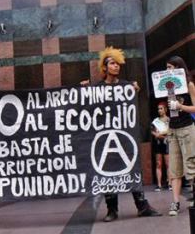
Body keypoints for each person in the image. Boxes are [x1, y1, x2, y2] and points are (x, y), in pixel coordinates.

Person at [80, 47, 161, 221]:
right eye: (112, 63)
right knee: (108, 173)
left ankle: (142, 205)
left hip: (125, 138)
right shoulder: (98, 89)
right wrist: (85, 93)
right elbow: (91, 111)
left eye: (118, 63)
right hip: (106, 139)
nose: (116, 66)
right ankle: (112, 210)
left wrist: (135, 92)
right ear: (105, 67)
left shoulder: (126, 86)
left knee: (132, 169)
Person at [164, 56, 195, 216]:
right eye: (167, 68)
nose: (168, 70)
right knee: (174, 168)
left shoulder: (189, 84)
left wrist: (180, 106)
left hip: (187, 128)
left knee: (191, 164)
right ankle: (175, 202)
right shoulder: (167, 86)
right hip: (173, 129)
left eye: (170, 67)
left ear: (178, 67)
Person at [151, 102, 170, 192]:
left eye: (161, 108)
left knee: (168, 164)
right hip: (158, 144)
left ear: (165, 109)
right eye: (158, 109)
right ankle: (159, 185)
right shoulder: (155, 121)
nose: (159, 110)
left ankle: (170, 183)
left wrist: (160, 135)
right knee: (158, 164)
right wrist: (157, 135)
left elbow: (169, 132)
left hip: (167, 144)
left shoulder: (169, 120)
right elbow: (152, 131)